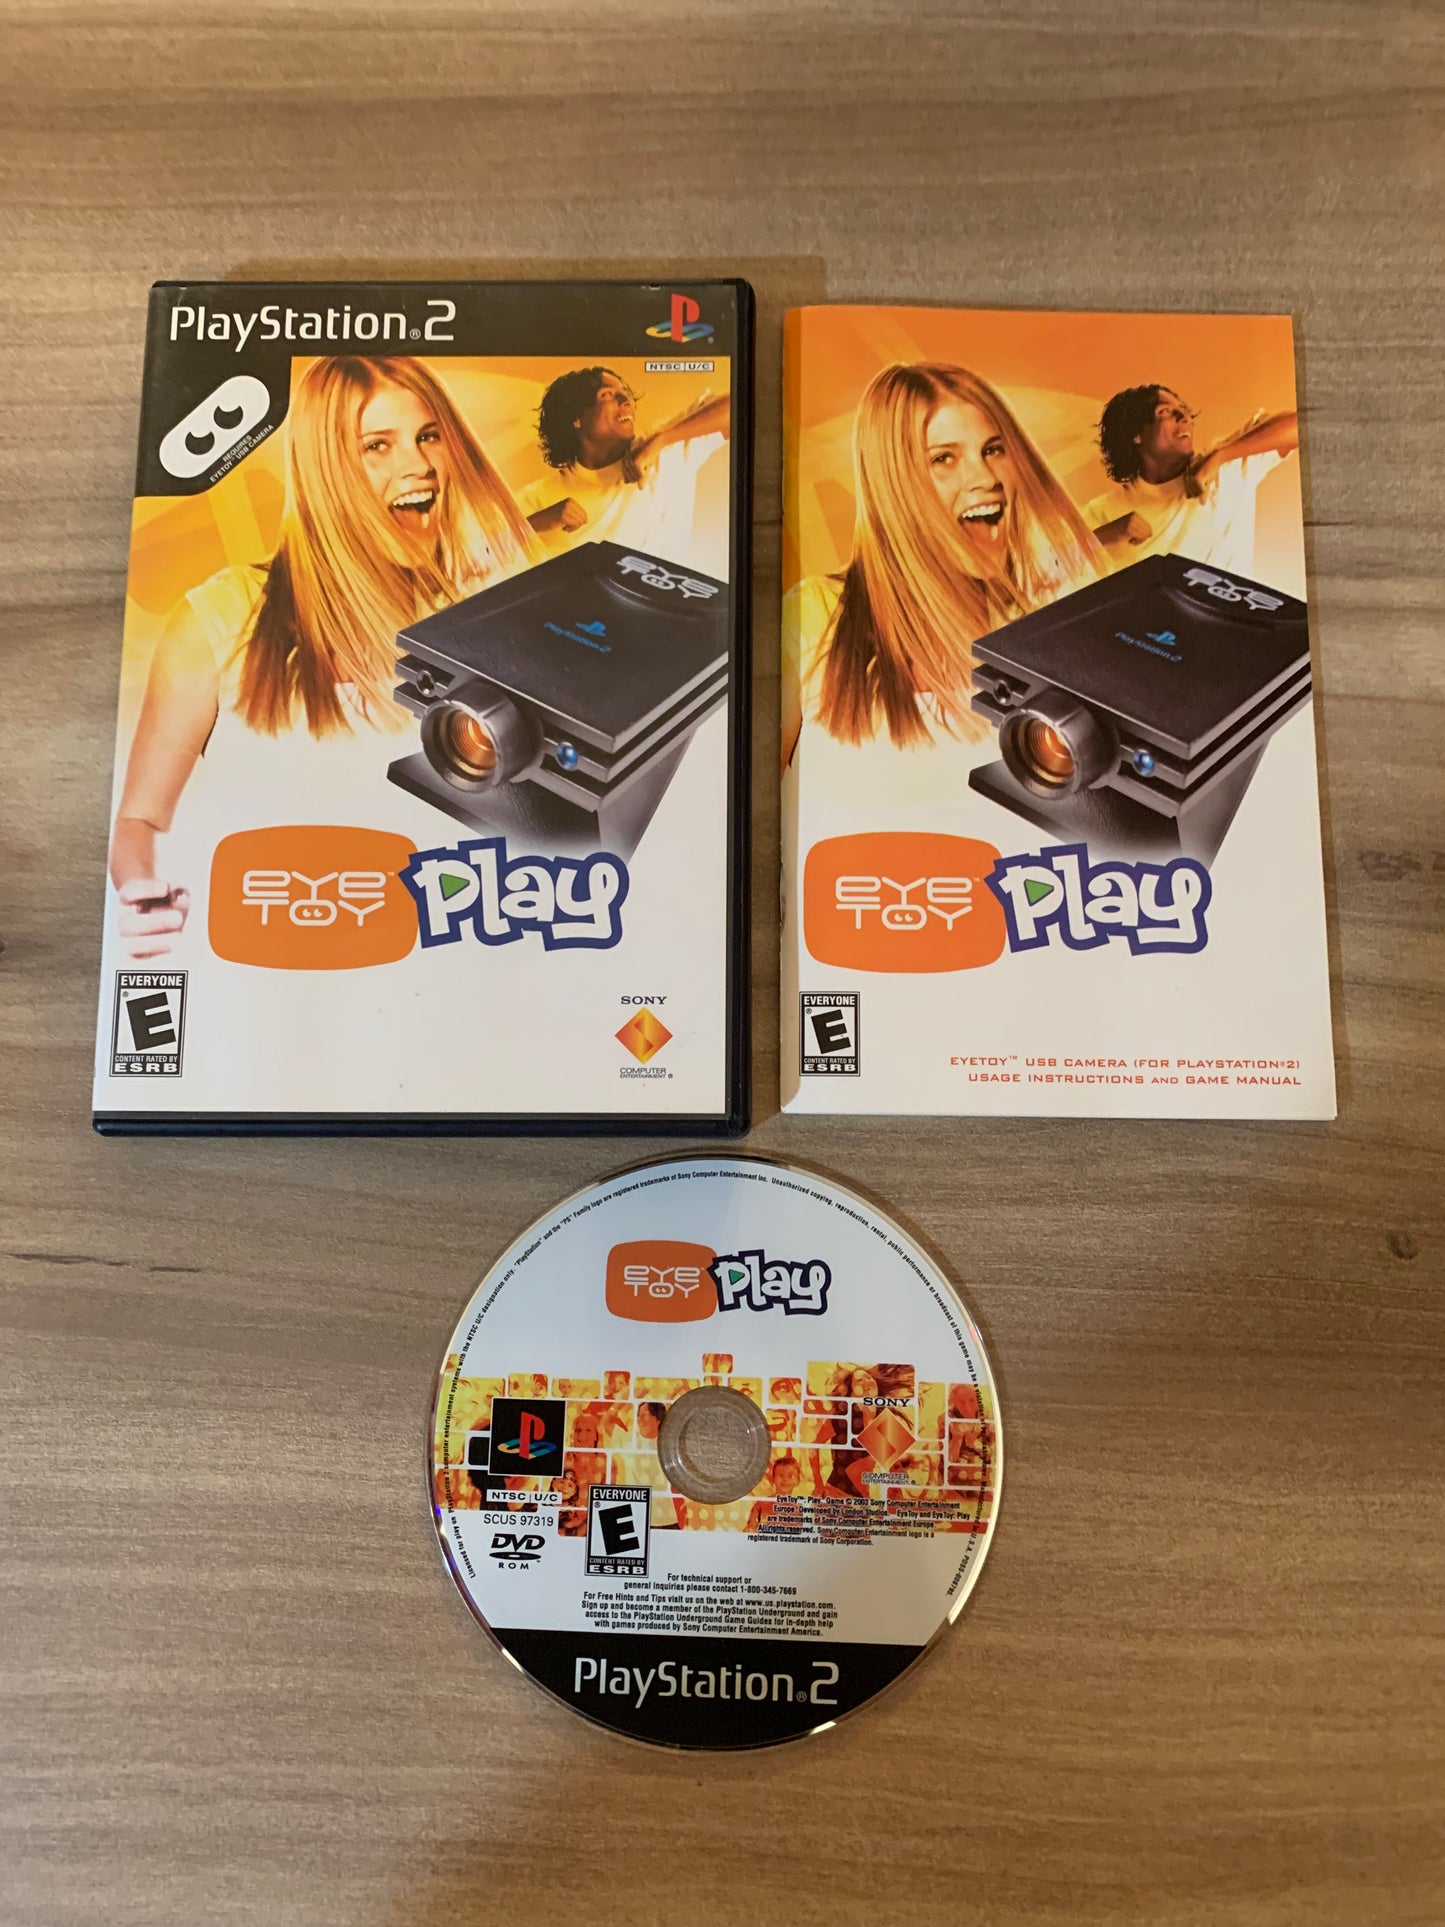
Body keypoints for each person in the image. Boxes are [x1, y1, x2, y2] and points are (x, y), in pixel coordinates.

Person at [109, 354, 538, 959]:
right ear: (325, 469)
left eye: (428, 436)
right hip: (270, 955)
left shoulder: (481, 615)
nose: (419, 464)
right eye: (376, 445)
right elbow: (140, 823)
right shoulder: (221, 618)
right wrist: (147, 904)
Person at [782, 361, 1103, 769]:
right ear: (891, 484)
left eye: (993, 450)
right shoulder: (813, 618)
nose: (985, 477)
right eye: (943, 458)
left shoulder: (1045, 618)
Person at [516, 365, 730, 572]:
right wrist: (535, 524)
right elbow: (495, 557)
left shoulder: (664, 451)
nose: (625, 400)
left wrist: (662, 439)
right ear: (576, 419)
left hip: (664, 595)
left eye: (625, 393)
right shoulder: (537, 496)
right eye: (607, 394)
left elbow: (736, 407)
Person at [1086, 383, 1298, 577]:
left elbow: (1300, 425)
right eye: (1165, 411)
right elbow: (1066, 573)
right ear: (1136, 434)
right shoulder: (1103, 510)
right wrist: (1104, 536)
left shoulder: (1223, 468)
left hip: (1227, 607)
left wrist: (1221, 456)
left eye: (1184, 410)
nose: (1184, 417)